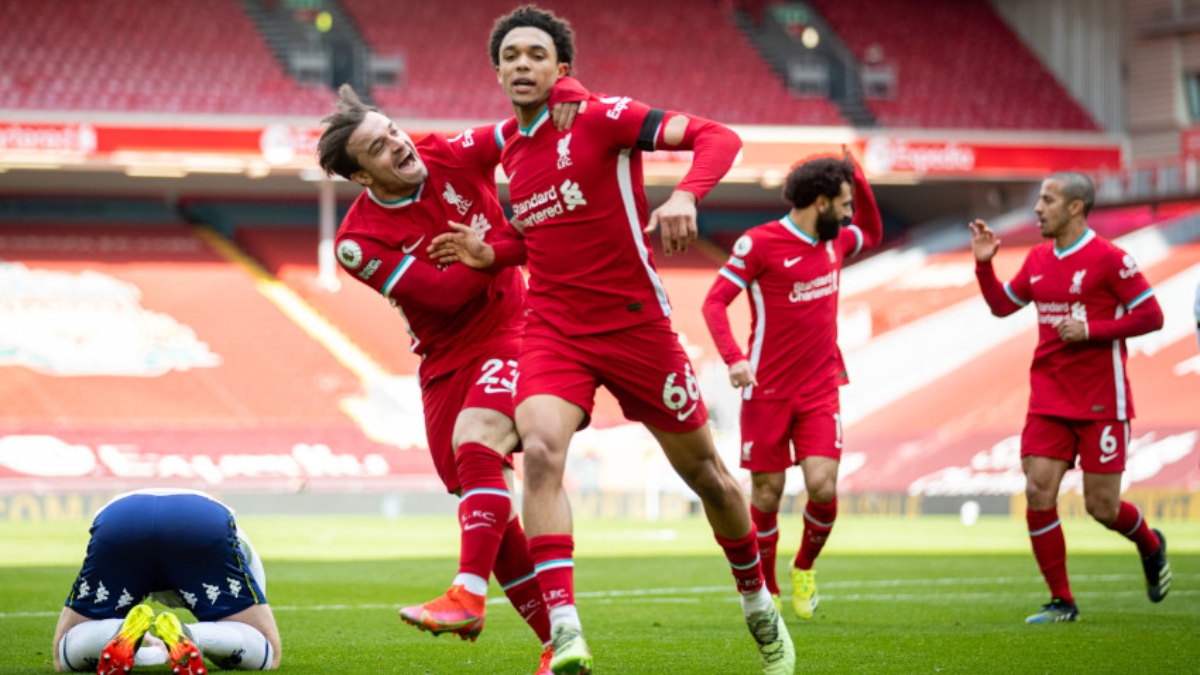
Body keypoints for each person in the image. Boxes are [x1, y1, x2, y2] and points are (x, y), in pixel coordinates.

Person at [431, 6, 796, 674]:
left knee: (709, 477)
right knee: (539, 449)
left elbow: (720, 135)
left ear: (561, 68)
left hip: (636, 327)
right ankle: (566, 631)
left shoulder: (601, 116)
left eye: (536, 54)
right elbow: (536, 234)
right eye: (509, 55)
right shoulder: (511, 145)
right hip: (553, 327)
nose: (521, 64)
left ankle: (757, 602)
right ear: (497, 70)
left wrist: (686, 194)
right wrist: (492, 250)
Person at [316, 81, 583, 675]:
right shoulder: (357, 243)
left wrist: (567, 90)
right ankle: (558, 645)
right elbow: (440, 296)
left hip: (518, 325)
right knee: (482, 504)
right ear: (362, 177)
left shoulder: (448, 151)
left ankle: (466, 593)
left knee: (477, 444)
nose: (398, 145)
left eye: (393, 131)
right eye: (379, 148)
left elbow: (523, 128)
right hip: (442, 359)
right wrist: (484, 248)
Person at [969, 172, 1171, 624]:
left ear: (1076, 207)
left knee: (1102, 507)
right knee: (1038, 489)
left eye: (1048, 199)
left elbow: (1152, 315)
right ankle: (1063, 601)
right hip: (1048, 397)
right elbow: (1004, 306)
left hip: (1101, 400)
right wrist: (985, 266)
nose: (1038, 208)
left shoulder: (1110, 259)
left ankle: (1150, 544)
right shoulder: (1039, 258)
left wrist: (1091, 331)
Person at [701, 153, 882, 619]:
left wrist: (857, 178)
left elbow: (874, 234)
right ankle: (771, 590)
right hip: (767, 390)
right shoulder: (759, 244)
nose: (848, 214)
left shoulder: (836, 241)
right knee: (766, 494)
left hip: (821, 386)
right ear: (819, 202)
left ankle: (804, 566)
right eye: (843, 204)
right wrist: (735, 360)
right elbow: (714, 304)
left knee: (823, 485)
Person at [51, 488, 281, 674]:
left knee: (63, 654)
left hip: (120, 520)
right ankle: (193, 636)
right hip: (201, 521)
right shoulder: (243, 549)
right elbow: (255, 625)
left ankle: (113, 632)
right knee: (268, 649)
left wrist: (141, 649)